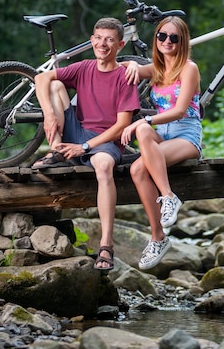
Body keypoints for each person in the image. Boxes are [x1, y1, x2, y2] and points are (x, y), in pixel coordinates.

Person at [31, 17, 140, 271]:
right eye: (99, 38)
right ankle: (56, 151)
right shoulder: (84, 67)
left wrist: (86, 147)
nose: (103, 44)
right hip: (75, 131)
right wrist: (48, 114)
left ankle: (106, 244)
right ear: (92, 40)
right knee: (55, 84)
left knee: (103, 168)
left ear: (120, 45)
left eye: (110, 40)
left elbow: (121, 127)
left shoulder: (125, 76)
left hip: (104, 140)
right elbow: (41, 79)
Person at [121, 16, 202, 270]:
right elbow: (125, 69)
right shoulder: (156, 69)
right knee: (143, 135)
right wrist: (132, 64)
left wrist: (140, 121)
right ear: (155, 39)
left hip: (185, 135)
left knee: (137, 165)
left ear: (182, 42)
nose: (167, 41)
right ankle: (159, 237)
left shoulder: (189, 68)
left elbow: (179, 111)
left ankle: (168, 199)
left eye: (173, 38)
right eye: (161, 36)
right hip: (160, 137)